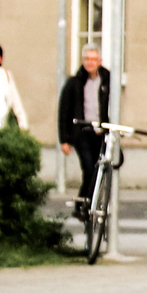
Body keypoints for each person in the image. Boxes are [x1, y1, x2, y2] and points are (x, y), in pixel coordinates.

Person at [57, 47, 113, 215]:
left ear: (99, 62)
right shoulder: (75, 82)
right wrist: (64, 139)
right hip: (82, 132)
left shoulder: (107, 80)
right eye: (87, 59)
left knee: (99, 169)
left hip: (100, 132)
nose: (90, 62)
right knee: (89, 169)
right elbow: (64, 111)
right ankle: (83, 204)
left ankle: (92, 203)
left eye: (93, 59)